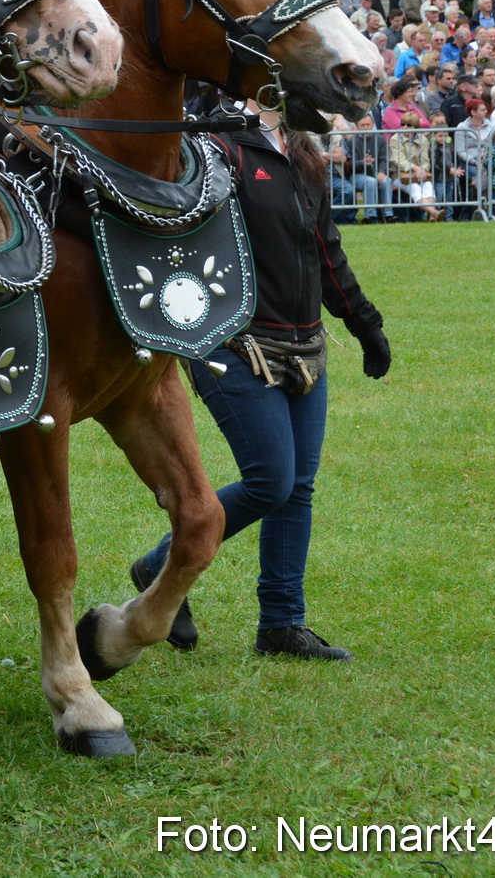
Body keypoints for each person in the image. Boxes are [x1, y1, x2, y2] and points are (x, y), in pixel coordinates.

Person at [130, 99, 390, 662]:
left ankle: (281, 623)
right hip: (233, 344)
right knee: (272, 480)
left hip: (305, 345)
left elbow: (325, 250)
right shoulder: (217, 145)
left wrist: (365, 322)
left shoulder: (301, 153)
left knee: (297, 487)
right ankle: (160, 565)